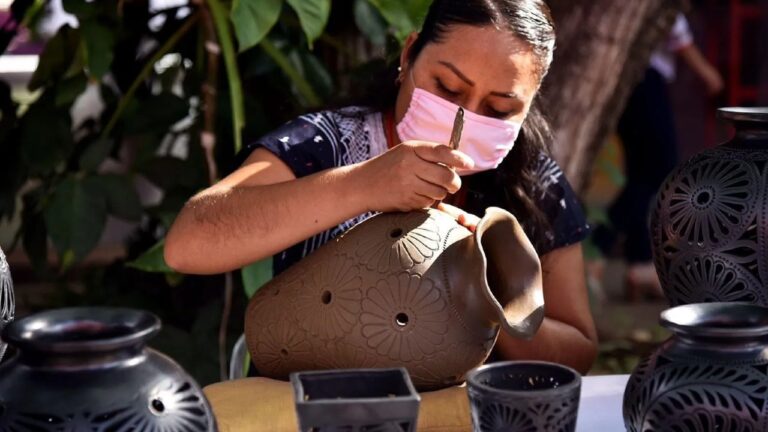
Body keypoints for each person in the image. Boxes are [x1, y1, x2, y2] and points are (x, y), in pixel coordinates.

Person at [165, 0, 598, 373]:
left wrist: (497, 295)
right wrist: (361, 185)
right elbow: (188, 242)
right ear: (409, 56)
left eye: (500, 108)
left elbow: (578, 349)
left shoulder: (533, 182)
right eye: (446, 88)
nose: (464, 119)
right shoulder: (326, 144)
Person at [592, 13, 724, 301]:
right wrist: (706, 72)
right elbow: (670, 23)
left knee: (642, 174)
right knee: (660, 168)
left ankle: (638, 265)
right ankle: (597, 249)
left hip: (631, 79)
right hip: (644, 78)